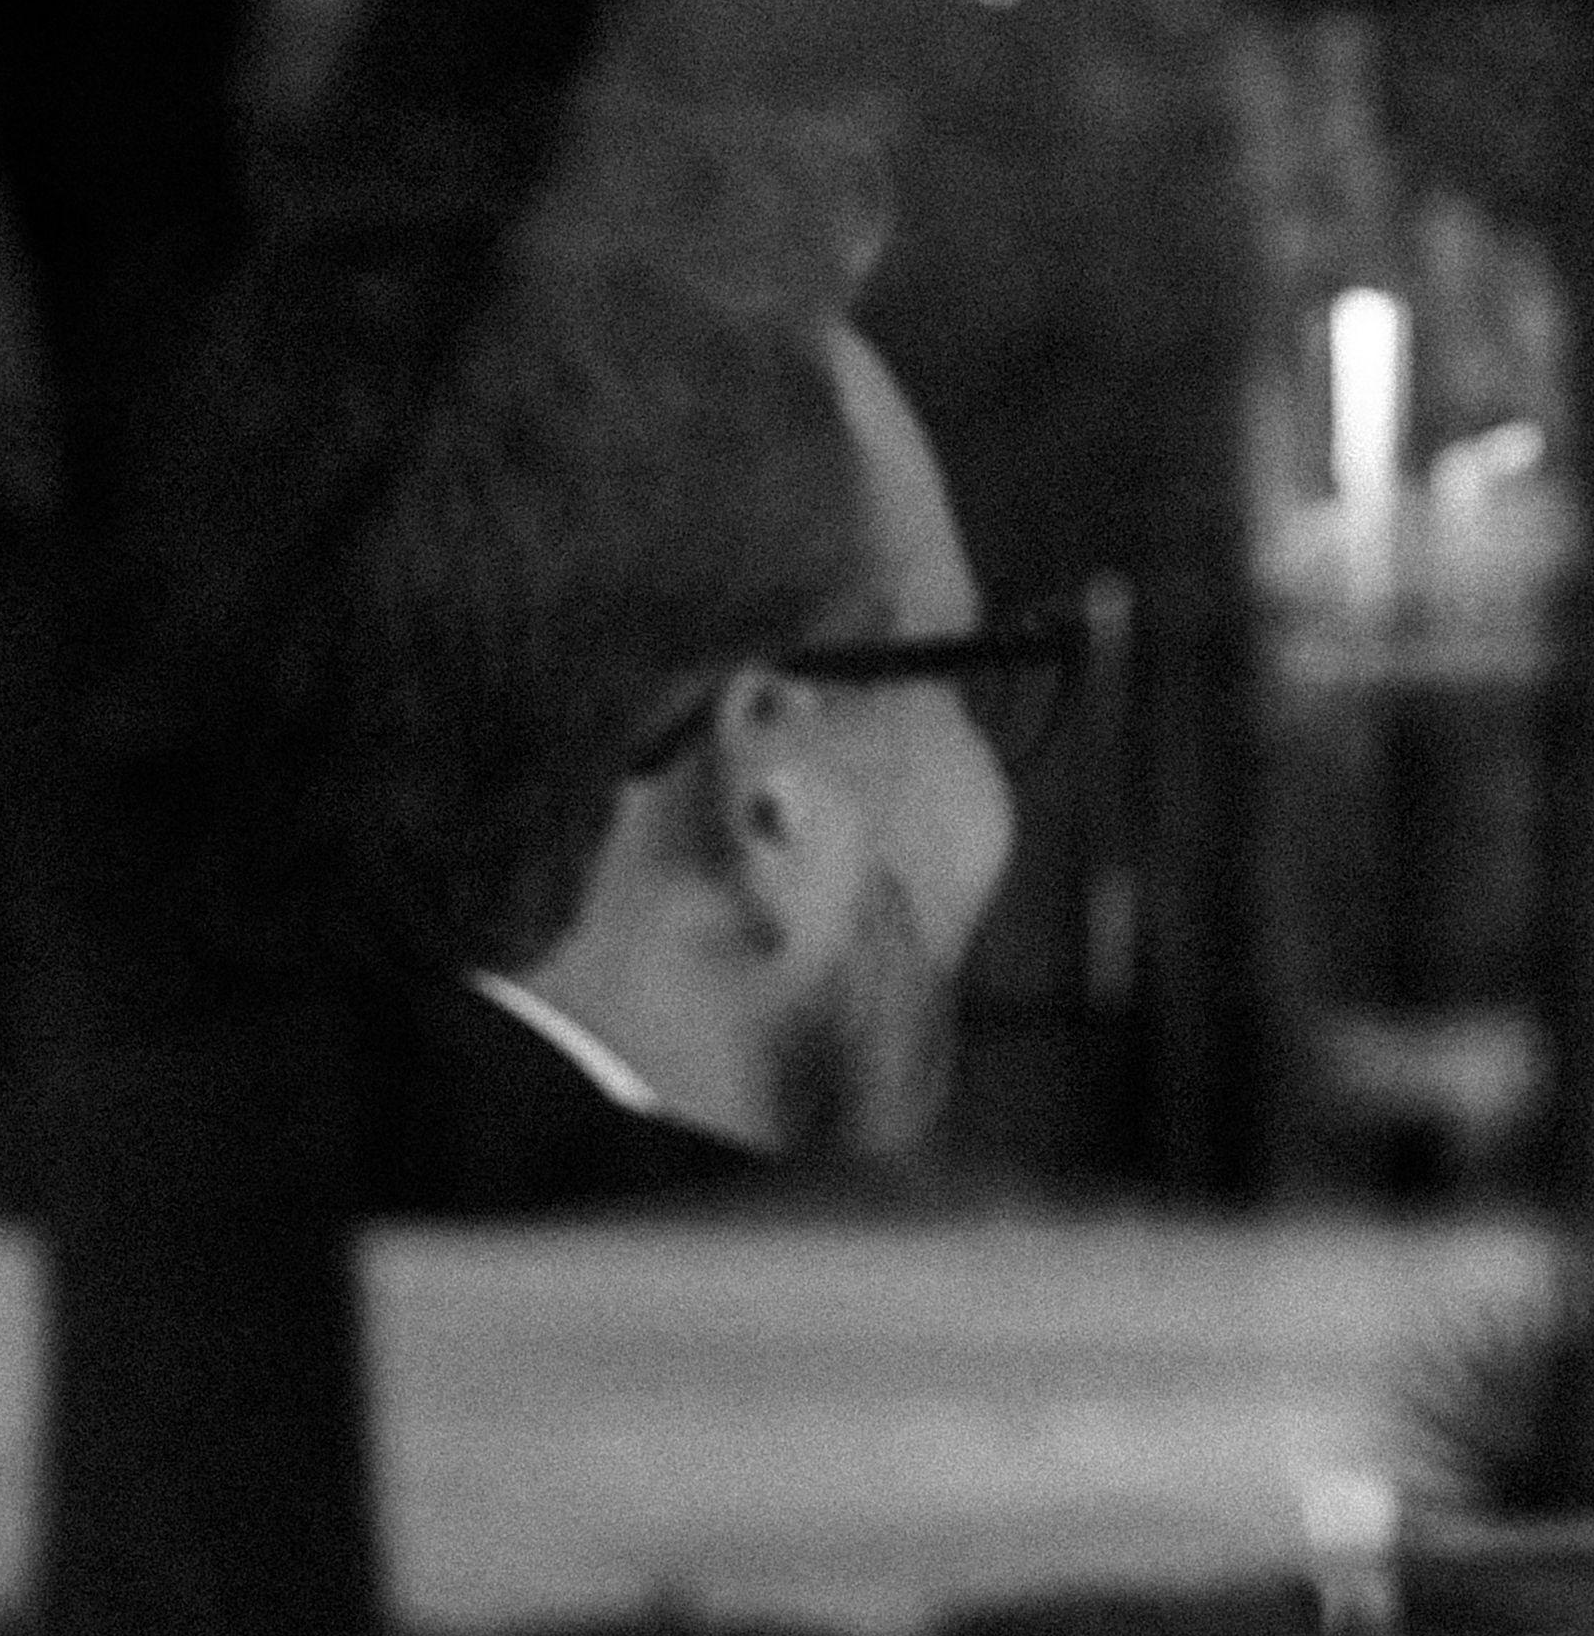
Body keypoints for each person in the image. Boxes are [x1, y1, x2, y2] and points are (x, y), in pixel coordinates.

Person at [184, 104, 1055, 1211]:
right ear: (767, 800)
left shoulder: (170, 1199)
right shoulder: (814, 1300)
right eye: (968, 688)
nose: (1003, 827)